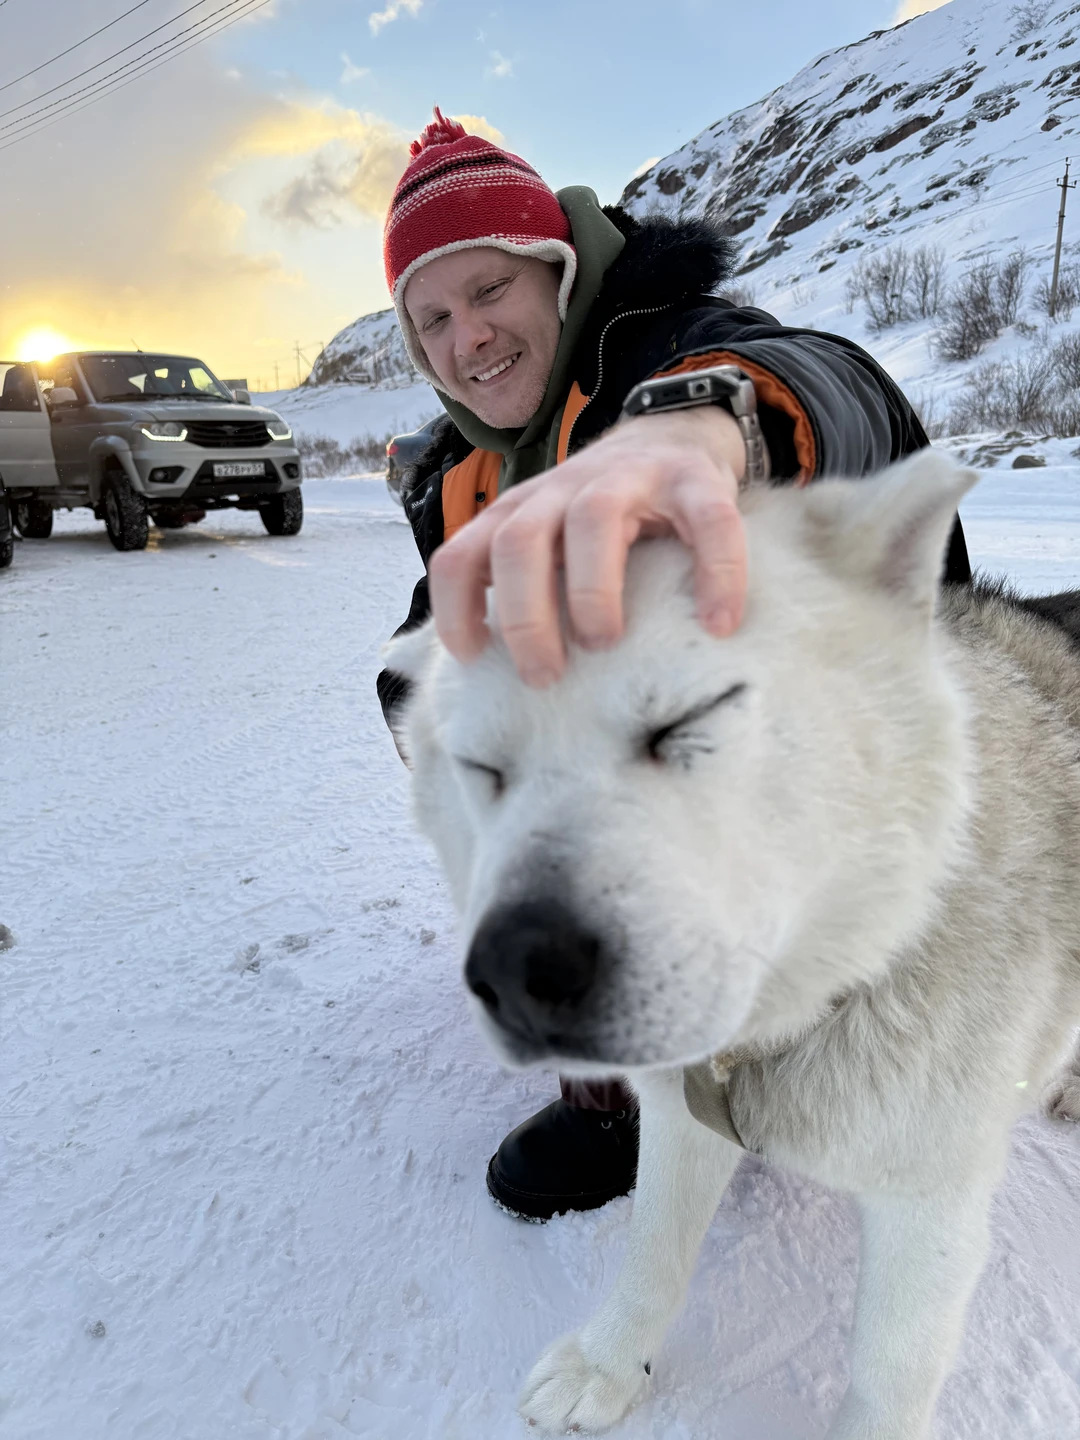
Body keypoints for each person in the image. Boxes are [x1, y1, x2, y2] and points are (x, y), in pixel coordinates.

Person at [376, 108, 970, 1222]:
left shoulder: (669, 342)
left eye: (492, 288)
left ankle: (785, 1024)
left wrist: (697, 427)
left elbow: (832, 384)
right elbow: (445, 644)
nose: (470, 337)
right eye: (434, 319)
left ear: (561, 272)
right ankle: (620, 1072)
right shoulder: (462, 471)